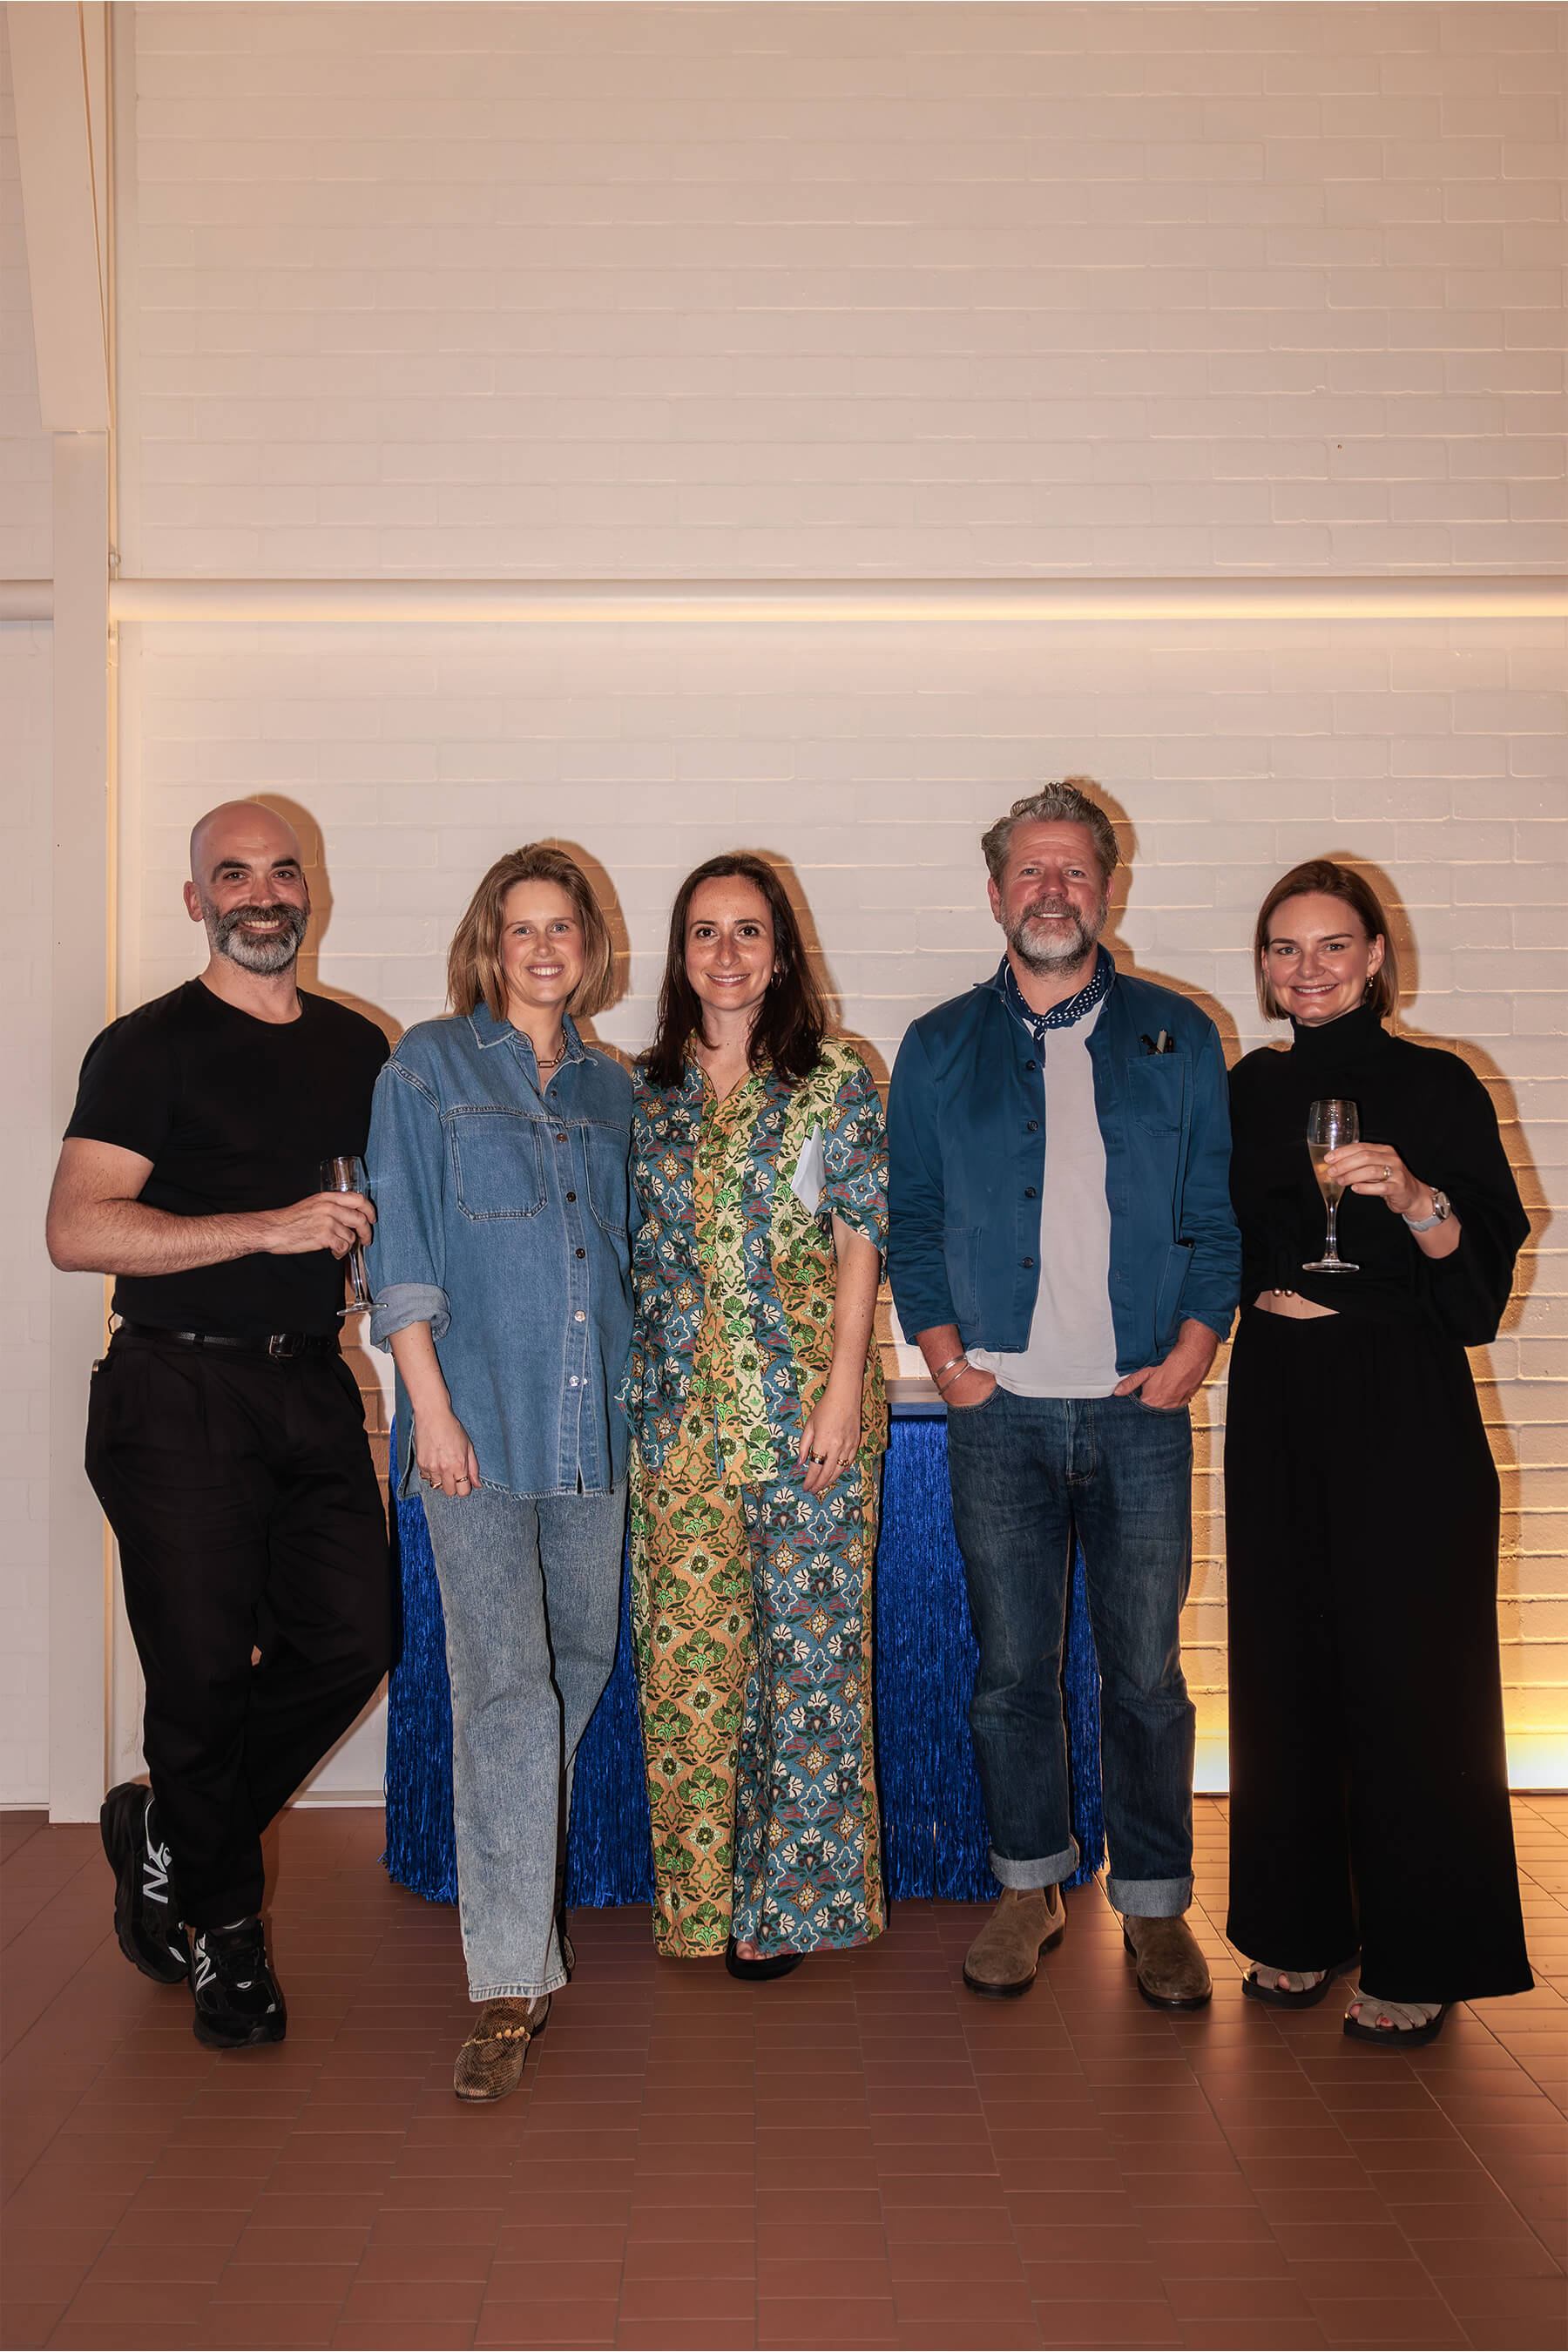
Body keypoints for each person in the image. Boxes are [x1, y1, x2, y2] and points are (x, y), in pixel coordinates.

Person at [888, 779, 1240, 2008]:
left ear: (1108, 886)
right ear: (996, 894)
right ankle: (1029, 1887)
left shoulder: (1178, 1034)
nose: (1053, 892)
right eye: (1031, 874)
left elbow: (1214, 1216)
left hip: (1142, 1409)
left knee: (1144, 1671)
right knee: (1010, 1671)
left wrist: (1197, 1346)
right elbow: (913, 1220)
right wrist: (946, 1362)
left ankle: (1152, 1909)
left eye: (1074, 872)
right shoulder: (938, 1047)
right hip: (1002, 1416)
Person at [46, 801, 392, 2049]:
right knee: (197, 1674)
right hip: (173, 1392)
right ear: (195, 900)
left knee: (358, 1634)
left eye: (283, 871)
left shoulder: (360, 1048)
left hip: (309, 1379)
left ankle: (171, 1830)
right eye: (231, 874)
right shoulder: (148, 1047)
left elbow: (374, 1216)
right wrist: (266, 1227)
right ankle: (227, 1939)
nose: (262, 894)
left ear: (314, 892)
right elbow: (77, 1227)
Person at [1225, 860, 1531, 2045]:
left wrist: (1411, 1193)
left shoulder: (1437, 1083)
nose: (1309, 969)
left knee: (1415, 1678)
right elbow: (1212, 1232)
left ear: (1375, 956)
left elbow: (1478, 1287)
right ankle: (1300, 1930)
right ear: (1262, 964)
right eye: (1285, 949)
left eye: (1332, 946)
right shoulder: (1249, 1089)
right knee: (1286, 1659)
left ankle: (1422, 1952)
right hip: (1280, 1393)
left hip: (1402, 1397)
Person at [364, 844, 632, 2099]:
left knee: (574, 1671)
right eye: (518, 927)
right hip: (471, 1436)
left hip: (597, 1441)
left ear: (588, 945)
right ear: (489, 941)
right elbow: (403, 1256)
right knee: (508, 1696)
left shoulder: (613, 1089)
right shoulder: (425, 1067)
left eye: (560, 927)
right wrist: (429, 1413)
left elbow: (627, 1267)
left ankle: (516, 1907)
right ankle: (510, 1981)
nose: (540, 947)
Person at [623, 854, 888, 1978]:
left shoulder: (835, 1076)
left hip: (805, 1418)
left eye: (746, 931)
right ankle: (698, 1908)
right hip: (677, 1423)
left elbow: (860, 1237)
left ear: (781, 951)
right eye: (702, 933)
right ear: (680, 956)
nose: (725, 953)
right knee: (689, 1680)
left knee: (810, 1673)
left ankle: (790, 1915)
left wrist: (840, 1384)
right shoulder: (642, 1091)